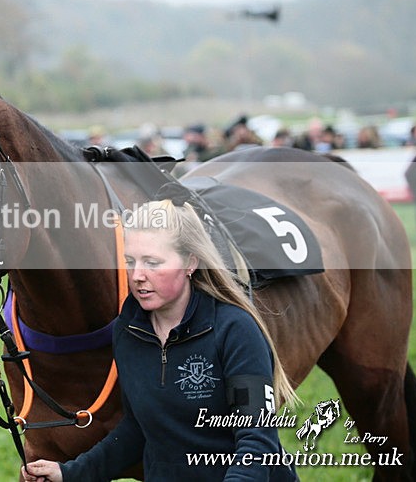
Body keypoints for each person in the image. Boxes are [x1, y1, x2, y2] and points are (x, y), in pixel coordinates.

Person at [23, 194, 298, 481]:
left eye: (152, 262)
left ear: (190, 263)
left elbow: (257, 442)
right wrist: (69, 473)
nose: (138, 275)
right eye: (130, 261)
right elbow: (138, 430)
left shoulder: (236, 330)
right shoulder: (128, 332)